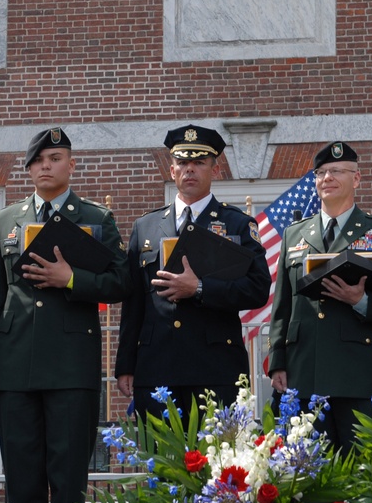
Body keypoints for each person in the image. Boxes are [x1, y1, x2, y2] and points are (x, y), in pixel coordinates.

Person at [0, 127, 130, 503]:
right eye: (38, 161)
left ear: (71, 163)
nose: (46, 167)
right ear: (29, 169)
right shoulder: (7, 219)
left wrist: (73, 280)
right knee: (23, 474)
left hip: (71, 365)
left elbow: (122, 281)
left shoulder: (96, 218)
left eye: (55, 158)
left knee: (69, 477)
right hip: (16, 365)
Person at [115, 124, 270, 422]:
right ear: (172, 170)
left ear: (214, 169)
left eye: (199, 163)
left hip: (214, 367)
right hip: (156, 367)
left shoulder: (237, 224)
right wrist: (125, 364)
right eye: (183, 163)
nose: (190, 170)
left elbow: (258, 288)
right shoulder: (144, 227)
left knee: (217, 464)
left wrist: (200, 288)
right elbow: (133, 302)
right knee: (161, 462)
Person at [266, 142, 372, 451]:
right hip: (304, 371)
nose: (327, 179)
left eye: (336, 171)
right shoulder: (296, 234)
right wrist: (277, 361)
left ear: (356, 179)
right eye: (321, 173)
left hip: (357, 373)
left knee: (363, 469)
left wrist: (361, 301)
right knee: (308, 471)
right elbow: (283, 304)